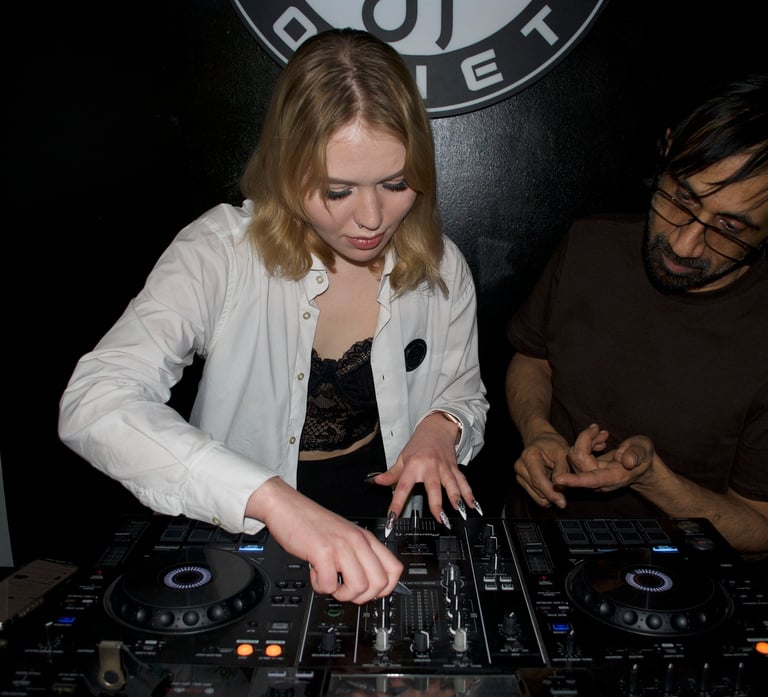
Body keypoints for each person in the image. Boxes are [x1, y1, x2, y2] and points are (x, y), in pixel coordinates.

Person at [58, 28, 488, 603]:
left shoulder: (441, 265)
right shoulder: (220, 252)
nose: (372, 217)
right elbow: (95, 401)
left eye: (396, 183)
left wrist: (442, 426)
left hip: (390, 536)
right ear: (288, 171)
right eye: (337, 191)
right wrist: (274, 500)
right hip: (241, 541)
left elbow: (464, 392)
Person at [505, 73, 768, 557]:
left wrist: (654, 481)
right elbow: (533, 359)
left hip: (681, 574)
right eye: (682, 199)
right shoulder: (589, 244)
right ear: (666, 153)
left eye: (729, 229)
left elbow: (759, 532)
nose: (684, 244)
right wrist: (539, 430)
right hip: (535, 544)